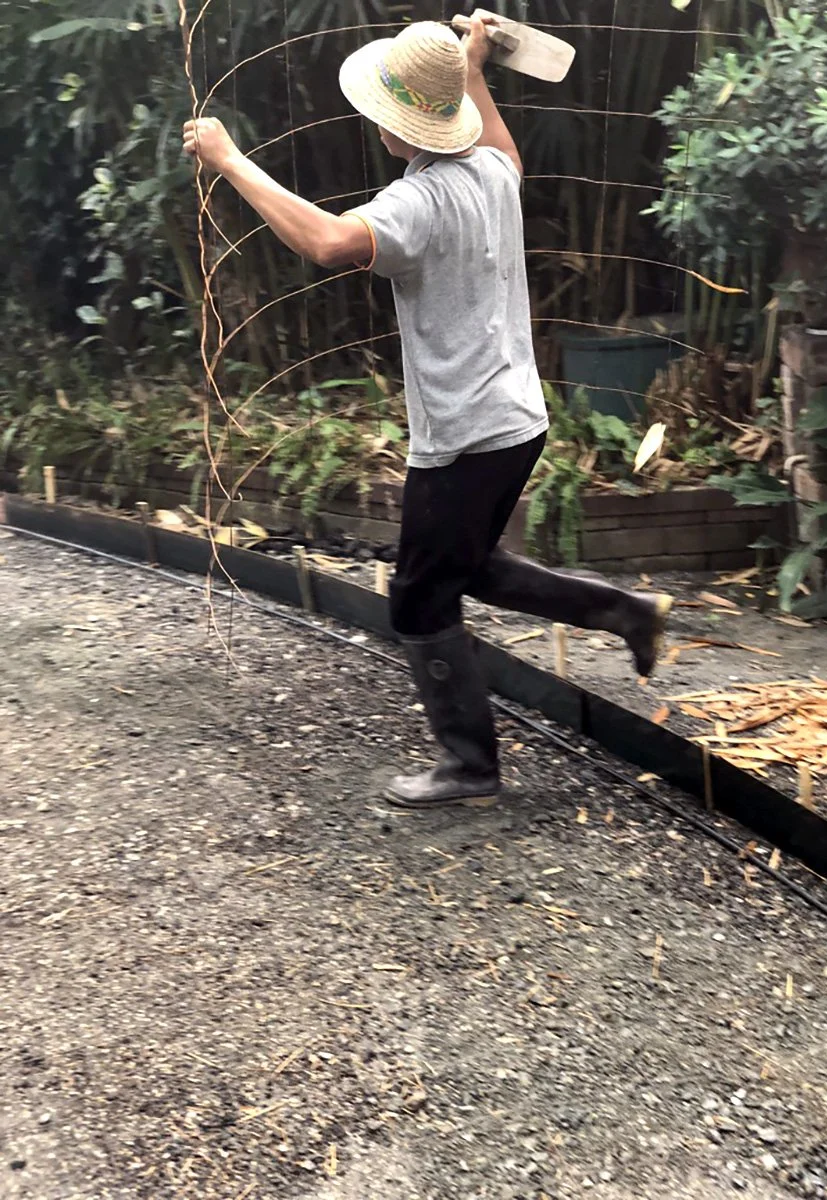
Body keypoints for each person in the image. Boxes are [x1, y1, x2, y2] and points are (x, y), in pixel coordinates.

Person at [183, 14, 671, 812]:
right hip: (516, 419)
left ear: (397, 121)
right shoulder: (490, 170)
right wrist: (473, 68)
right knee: (468, 567)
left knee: (418, 596)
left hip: (467, 433)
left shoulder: (418, 201)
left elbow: (329, 243)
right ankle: (626, 612)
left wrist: (230, 159)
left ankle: (470, 767)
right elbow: (505, 150)